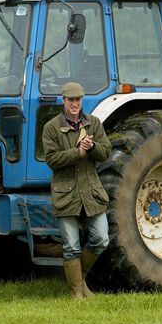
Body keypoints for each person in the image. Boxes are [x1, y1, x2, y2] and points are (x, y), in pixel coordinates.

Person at [42, 82, 111, 299]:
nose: (75, 104)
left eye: (78, 100)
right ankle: (76, 293)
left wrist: (92, 148)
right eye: (71, 100)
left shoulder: (94, 123)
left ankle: (79, 280)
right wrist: (77, 152)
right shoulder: (51, 128)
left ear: (82, 101)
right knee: (71, 246)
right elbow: (52, 160)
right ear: (63, 101)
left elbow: (106, 152)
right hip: (66, 193)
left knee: (101, 239)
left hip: (91, 191)